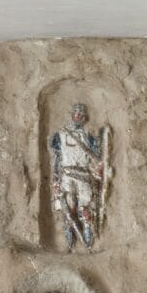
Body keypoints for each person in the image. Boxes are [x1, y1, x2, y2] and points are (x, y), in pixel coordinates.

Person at [49, 103, 110, 249]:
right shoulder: (60, 135)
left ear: (84, 118)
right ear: (71, 115)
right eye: (75, 113)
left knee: (85, 208)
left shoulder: (88, 138)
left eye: (80, 115)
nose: (77, 116)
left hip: (83, 175)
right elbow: (57, 158)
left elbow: (98, 158)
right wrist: (56, 180)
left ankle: (88, 236)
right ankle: (70, 241)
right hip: (67, 175)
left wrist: (99, 169)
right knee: (68, 208)